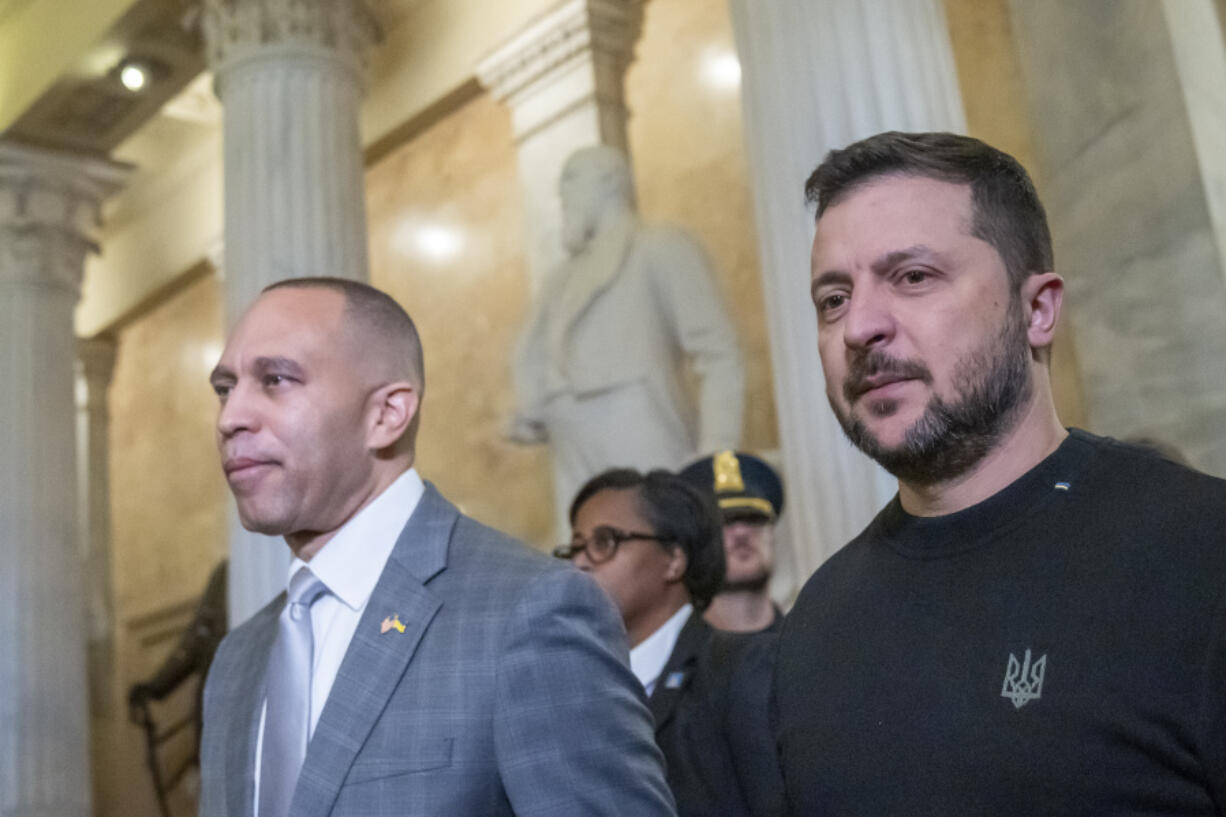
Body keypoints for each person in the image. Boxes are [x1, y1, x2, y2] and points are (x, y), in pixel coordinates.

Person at [775, 131, 1226, 815]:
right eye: (832, 298)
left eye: (913, 276)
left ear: (1037, 309)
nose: (858, 326)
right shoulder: (817, 620)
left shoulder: (1201, 554)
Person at [199, 278, 675, 817]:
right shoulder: (237, 661)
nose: (230, 417)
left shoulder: (531, 611)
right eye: (224, 388)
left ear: (387, 414)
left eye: (276, 380)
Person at [511, 145, 744, 537]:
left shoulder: (659, 247)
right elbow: (531, 349)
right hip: (571, 447)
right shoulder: (559, 280)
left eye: (572, 179)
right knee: (585, 561)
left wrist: (718, 459)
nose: (563, 196)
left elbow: (718, 354)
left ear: (609, 181)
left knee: (660, 547)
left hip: (642, 429)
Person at [556, 468, 784, 817]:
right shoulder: (572, 687)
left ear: (674, 560)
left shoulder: (742, 669)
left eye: (605, 542)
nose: (581, 562)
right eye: (575, 547)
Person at [680, 450, 785, 632]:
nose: (741, 532)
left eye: (754, 518)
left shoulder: (811, 641)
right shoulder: (665, 656)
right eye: (723, 521)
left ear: (772, 534)